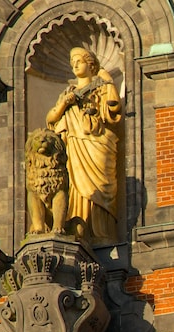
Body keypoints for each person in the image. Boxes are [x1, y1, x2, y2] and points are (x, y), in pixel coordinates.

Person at [46, 47, 122, 243]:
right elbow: (51, 119)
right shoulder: (68, 93)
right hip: (74, 146)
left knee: (99, 187)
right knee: (75, 188)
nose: (75, 64)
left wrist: (108, 81)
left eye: (79, 60)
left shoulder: (101, 87)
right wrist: (64, 103)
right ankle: (78, 230)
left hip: (97, 143)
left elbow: (113, 108)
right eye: (72, 62)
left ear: (91, 64)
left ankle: (102, 234)